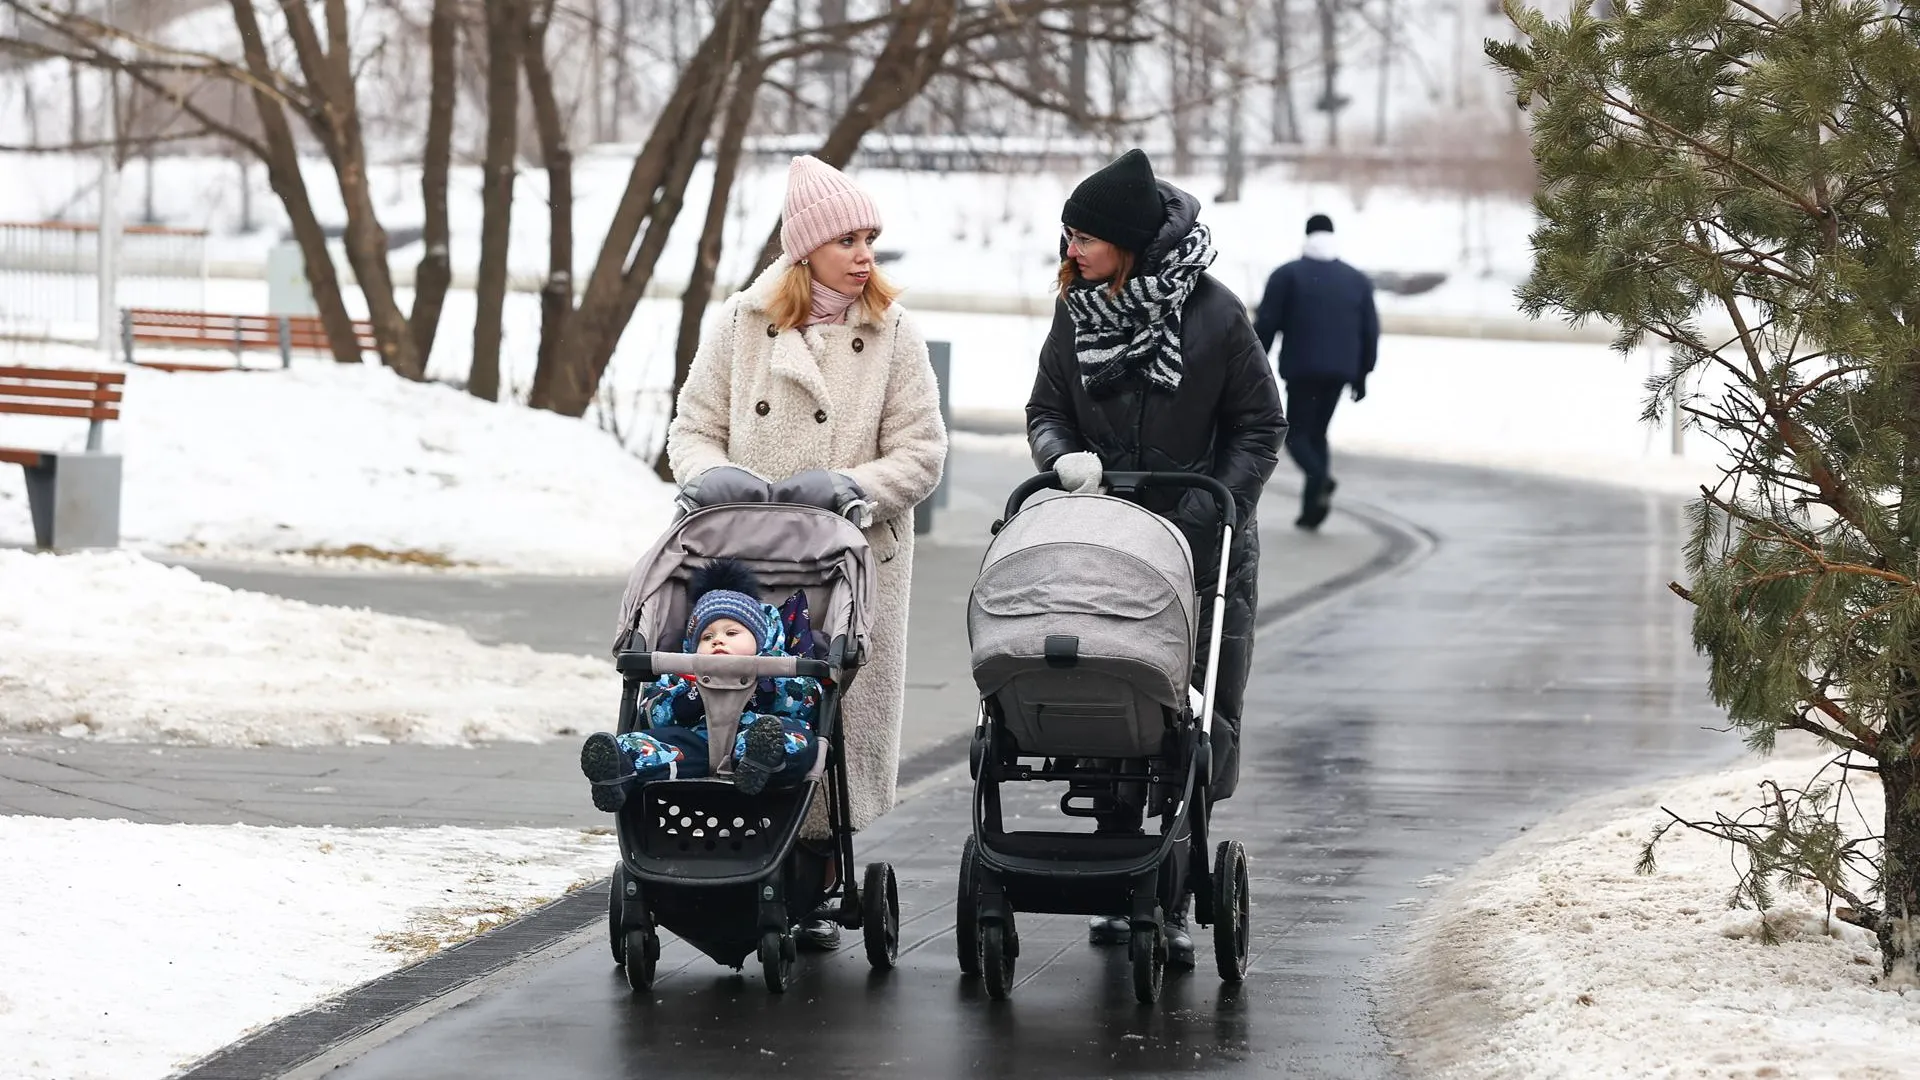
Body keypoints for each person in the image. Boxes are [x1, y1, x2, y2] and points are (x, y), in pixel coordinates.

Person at [665, 155, 948, 950]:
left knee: (828, 710)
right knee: (741, 694)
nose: (865, 255)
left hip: (851, 560)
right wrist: (709, 475)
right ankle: (730, 853)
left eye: (872, 239)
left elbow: (922, 453)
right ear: (805, 250)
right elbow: (691, 429)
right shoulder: (739, 325)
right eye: (848, 239)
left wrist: (852, 485)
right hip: (747, 556)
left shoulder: (894, 333)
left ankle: (817, 870)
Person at [1025, 148, 1287, 966]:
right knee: (1106, 698)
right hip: (1102, 543)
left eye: (1082, 236)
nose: (1069, 249)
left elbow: (1260, 425)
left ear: (1128, 242)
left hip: (1203, 554)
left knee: (1187, 724)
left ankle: (1169, 888)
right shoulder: (1075, 313)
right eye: (1067, 235)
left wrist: (1218, 504)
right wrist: (1061, 457)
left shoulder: (1214, 316)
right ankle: (1116, 869)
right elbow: (1046, 410)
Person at [579, 559, 822, 806]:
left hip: (755, 736)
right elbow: (650, 714)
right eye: (707, 636)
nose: (718, 641)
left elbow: (807, 702)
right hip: (697, 742)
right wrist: (686, 699)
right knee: (653, 745)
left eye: (731, 633)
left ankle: (761, 762)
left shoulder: (778, 665)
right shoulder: (681, 670)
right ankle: (619, 769)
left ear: (759, 640)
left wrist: (769, 686)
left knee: (796, 740)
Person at [1253, 213, 1379, 531]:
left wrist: (1252, 365)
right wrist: (1363, 373)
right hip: (1341, 372)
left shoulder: (1287, 275)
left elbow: (1266, 324)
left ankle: (1321, 480)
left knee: (1296, 436)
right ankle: (1312, 510)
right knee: (1318, 434)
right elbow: (1370, 330)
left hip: (1302, 369)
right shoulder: (1356, 279)